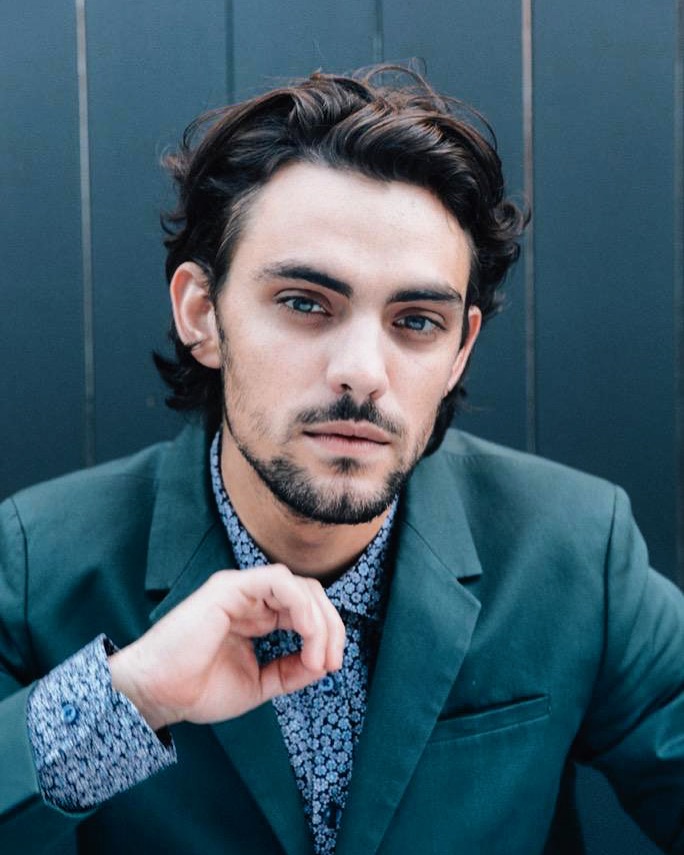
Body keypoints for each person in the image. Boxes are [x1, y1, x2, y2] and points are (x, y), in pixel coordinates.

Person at [0, 66, 682, 855]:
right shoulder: (39, 562)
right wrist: (132, 696)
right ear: (202, 313)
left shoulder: (573, 548)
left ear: (461, 349)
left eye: (416, 321)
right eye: (304, 303)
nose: (362, 371)